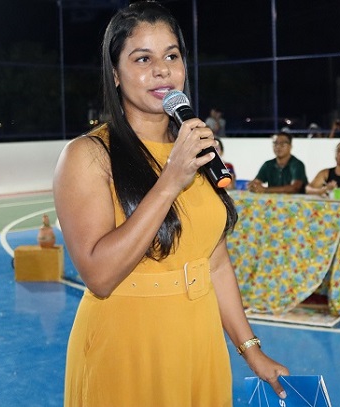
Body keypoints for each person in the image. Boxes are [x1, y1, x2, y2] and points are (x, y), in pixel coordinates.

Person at [53, 2, 289, 405]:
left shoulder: (196, 149)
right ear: (115, 73)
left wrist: (252, 351)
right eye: (143, 58)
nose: (162, 70)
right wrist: (169, 181)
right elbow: (99, 275)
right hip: (127, 345)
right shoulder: (88, 156)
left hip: (199, 342)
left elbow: (214, 261)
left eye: (172, 56)